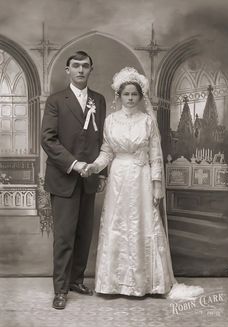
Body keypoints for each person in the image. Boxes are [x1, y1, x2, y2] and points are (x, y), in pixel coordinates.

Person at [83, 67, 204, 299]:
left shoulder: (147, 121)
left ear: (140, 97)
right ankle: (114, 284)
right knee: (117, 225)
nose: (130, 98)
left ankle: (146, 283)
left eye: (134, 94)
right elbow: (106, 152)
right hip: (118, 178)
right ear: (118, 96)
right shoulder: (110, 121)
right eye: (126, 94)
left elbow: (156, 154)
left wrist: (157, 183)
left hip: (141, 177)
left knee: (143, 224)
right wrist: (94, 167)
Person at [41, 51, 107, 309]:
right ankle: (60, 289)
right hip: (64, 177)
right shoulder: (56, 101)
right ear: (67, 70)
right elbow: (48, 139)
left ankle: (76, 280)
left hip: (89, 178)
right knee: (64, 236)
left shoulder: (99, 100)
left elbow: (102, 139)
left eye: (85, 66)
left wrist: (101, 172)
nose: (81, 70)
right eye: (76, 66)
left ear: (91, 70)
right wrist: (74, 164)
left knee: (84, 234)